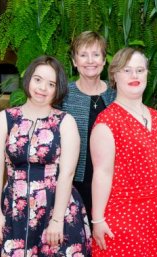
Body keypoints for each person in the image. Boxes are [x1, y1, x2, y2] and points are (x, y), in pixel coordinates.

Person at [0, 56, 91, 256]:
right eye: (38, 79)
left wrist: (57, 219)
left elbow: (67, 173)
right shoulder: (4, 119)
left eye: (51, 84)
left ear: (57, 89)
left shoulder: (65, 122)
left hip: (57, 207)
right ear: (28, 80)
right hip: (14, 208)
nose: (42, 88)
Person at [90, 47, 157, 256]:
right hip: (124, 218)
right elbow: (102, 174)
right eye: (127, 70)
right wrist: (98, 219)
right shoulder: (107, 122)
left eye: (140, 70)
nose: (134, 76)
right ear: (114, 76)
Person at [62, 31, 116, 222]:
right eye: (83, 55)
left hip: (112, 182)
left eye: (95, 54)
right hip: (73, 181)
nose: (90, 60)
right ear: (75, 62)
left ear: (103, 60)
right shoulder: (63, 95)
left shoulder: (116, 96)